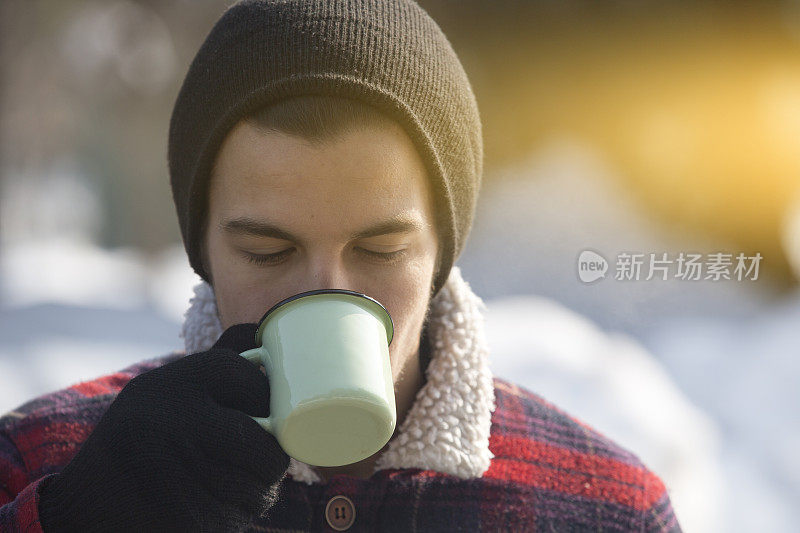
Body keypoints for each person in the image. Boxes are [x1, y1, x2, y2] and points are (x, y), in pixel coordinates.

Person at [0, 0, 682, 530]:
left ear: (444, 250)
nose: (326, 291)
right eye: (267, 251)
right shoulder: (44, 462)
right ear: (201, 250)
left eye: (381, 250)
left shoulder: (609, 508)